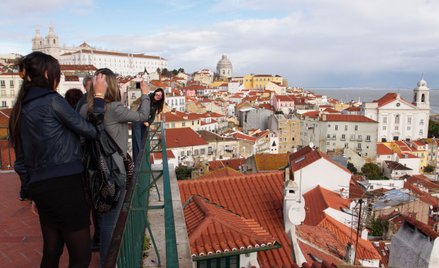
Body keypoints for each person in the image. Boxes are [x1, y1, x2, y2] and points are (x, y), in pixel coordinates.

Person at [9, 51, 108, 268]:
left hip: (40, 186)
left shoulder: (20, 108)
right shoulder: (52, 100)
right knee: (81, 256)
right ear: (46, 73)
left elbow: (20, 160)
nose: (58, 77)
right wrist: (99, 97)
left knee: (52, 251)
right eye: (57, 73)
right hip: (65, 185)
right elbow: (92, 131)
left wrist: (29, 190)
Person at [79, 68, 151, 266]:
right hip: (114, 172)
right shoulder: (115, 108)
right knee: (112, 223)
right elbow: (143, 115)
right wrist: (145, 94)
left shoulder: (85, 109)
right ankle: (108, 262)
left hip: (93, 171)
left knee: (103, 221)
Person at [131, 87, 165, 163]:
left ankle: (140, 161)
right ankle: (137, 163)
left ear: (161, 98)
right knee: (137, 142)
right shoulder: (147, 98)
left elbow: (152, 117)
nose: (158, 96)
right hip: (137, 120)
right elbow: (136, 105)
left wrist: (148, 122)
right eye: (157, 94)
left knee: (142, 142)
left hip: (144, 124)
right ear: (154, 93)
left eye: (160, 95)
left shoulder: (155, 105)